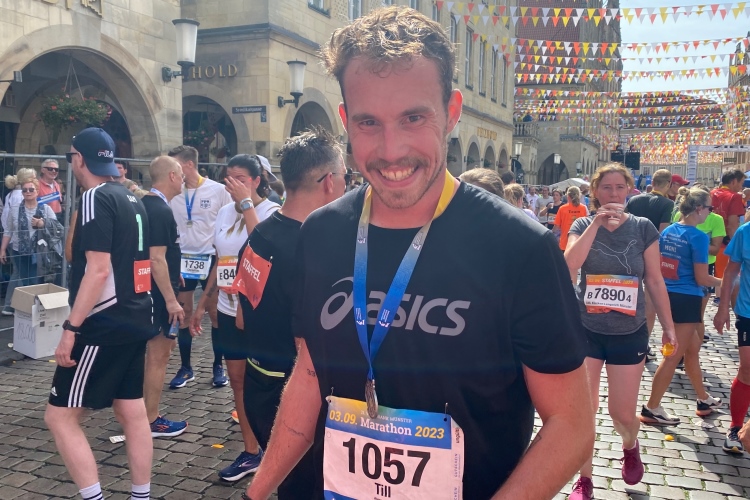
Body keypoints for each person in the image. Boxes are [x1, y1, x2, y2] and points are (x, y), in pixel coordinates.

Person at [246, 7, 593, 500]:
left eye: (413, 117)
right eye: (369, 122)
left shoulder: (520, 248)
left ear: (451, 111)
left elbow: (571, 424)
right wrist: (257, 491)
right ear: (345, 121)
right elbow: (308, 373)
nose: (391, 150)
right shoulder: (320, 233)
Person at [44, 127, 154, 500]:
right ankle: (141, 495)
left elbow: (98, 269)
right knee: (131, 411)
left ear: (79, 159)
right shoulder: (131, 197)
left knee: (60, 416)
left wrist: (71, 328)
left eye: (70, 157)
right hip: (135, 315)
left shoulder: (94, 197)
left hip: (104, 322)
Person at [236, 128, 346, 498]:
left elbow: (242, 315)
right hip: (292, 399)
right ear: (329, 182)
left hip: (258, 384)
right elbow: (309, 348)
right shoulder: (310, 248)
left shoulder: (260, 233)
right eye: (345, 175)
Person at [564, 164, 676, 500]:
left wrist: (669, 326)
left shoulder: (642, 227)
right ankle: (584, 479)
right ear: (595, 192)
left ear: (629, 190)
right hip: (587, 329)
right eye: (606, 188)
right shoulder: (583, 224)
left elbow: (654, 279)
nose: (613, 194)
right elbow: (569, 265)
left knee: (622, 413)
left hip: (629, 331)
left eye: (619, 188)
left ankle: (630, 444)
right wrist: (596, 224)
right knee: (585, 410)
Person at [190, 154, 274, 481]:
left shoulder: (271, 211)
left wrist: (247, 205)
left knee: (264, 383)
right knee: (237, 380)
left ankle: (276, 447)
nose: (232, 185)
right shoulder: (225, 212)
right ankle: (251, 451)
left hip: (256, 312)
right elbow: (221, 259)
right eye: (229, 178)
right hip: (227, 307)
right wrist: (203, 302)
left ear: (256, 180)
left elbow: (263, 249)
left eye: (240, 178)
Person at [640, 187, 723, 426]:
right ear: (698, 209)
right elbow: (702, 278)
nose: (710, 212)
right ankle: (652, 407)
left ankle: (703, 399)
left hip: (668, 294)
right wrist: (726, 282)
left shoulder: (669, 231)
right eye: (709, 208)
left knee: (692, 349)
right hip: (687, 298)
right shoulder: (698, 237)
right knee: (672, 355)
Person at [167, 145, 233, 389]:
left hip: (212, 260)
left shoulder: (218, 190)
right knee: (183, 313)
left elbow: (229, 220)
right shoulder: (174, 192)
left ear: (189, 164)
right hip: (183, 260)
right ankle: (186, 368)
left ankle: (218, 365)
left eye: (175, 165)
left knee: (215, 314)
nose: (172, 171)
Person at [140, 156, 188, 439]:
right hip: (158, 295)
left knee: (154, 355)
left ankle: (141, 415)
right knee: (159, 355)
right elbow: (155, 258)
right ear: (171, 176)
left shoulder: (145, 205)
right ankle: (150, 419)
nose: (183, 179)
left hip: (150, 288)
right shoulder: (159, 209)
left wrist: (174, 271)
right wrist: (171, 300)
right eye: (180, 174)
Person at [625, 168, 677, 358]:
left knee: (627, 297)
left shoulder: (634, 200)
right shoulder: (667, 204)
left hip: (629, 252)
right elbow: (662, 233)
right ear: (668, 184)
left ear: (652, 182)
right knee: (649, 303)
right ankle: (643, 346)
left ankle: (626, 338)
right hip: (651, 254)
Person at [714, 216, 750, 454]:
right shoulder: (745, 232)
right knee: (747, 369)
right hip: (747, 311)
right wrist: (723, 308)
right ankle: (735, 427)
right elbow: (730, 272)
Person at [0, 177, 60, 291]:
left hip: (39, 252)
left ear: (37, 191)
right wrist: (2, 249)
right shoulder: (14, 209)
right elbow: (8, 230)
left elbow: (57, 228)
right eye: (25, 190)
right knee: (25, 282)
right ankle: (27, 302)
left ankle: (35, 302)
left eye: (31, 189)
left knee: (35, 282)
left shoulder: (45, 209)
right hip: (19, 252)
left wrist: (43, 223)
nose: (28, 192)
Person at [1, 168, 37, 316]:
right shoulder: (17, 198)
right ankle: (13, 305)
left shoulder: (10, 194)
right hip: (17, 242)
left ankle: (15, 305)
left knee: (22, 274)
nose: (28, 192)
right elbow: (11, 224)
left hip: (17, 241)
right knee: (21, 275)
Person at [711, 168, 745, 304]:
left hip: (710, 241)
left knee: (714, 274)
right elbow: (732, 225)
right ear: (734, 181)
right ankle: (727, 302)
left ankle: (718, 297)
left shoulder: (711, 193)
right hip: (725, 243)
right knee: (729, 275)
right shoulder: (734, 196)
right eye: (741, 183)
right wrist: (737, 245)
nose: (741, 187)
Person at [555, 185, 588, 251]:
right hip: (579, 243)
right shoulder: (583, 208)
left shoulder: (562, 208)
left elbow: (556, 226)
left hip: (565, 243)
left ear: (568, 196)